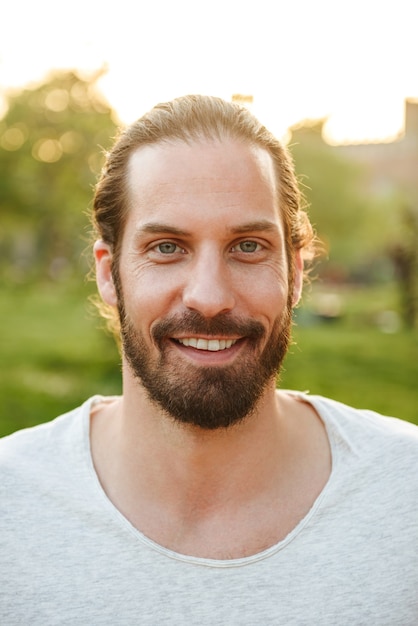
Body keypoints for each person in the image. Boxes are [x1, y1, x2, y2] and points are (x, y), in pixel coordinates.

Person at [1, 95, 417, 625]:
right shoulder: (10, 506)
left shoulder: (407, 493)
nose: (209, 296)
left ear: (294, 271)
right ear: (109, 273)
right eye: (167, 247)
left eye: (247, 247)